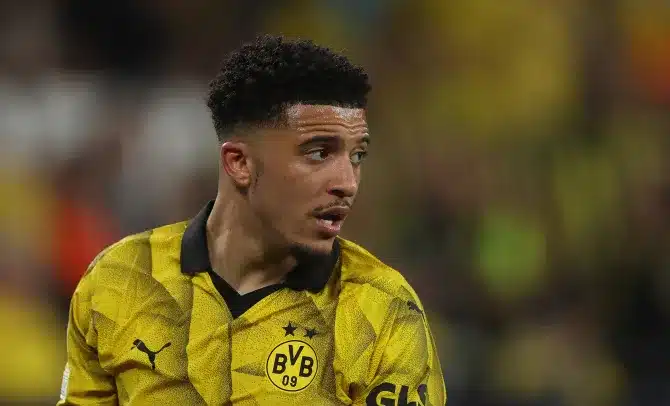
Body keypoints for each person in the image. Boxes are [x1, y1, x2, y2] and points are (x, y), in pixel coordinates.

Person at [58, 34, 446, 405]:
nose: (347, 183)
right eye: (318, 153)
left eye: (356, 156)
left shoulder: (382, 308)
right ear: (240, 164)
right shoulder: (119, 280)